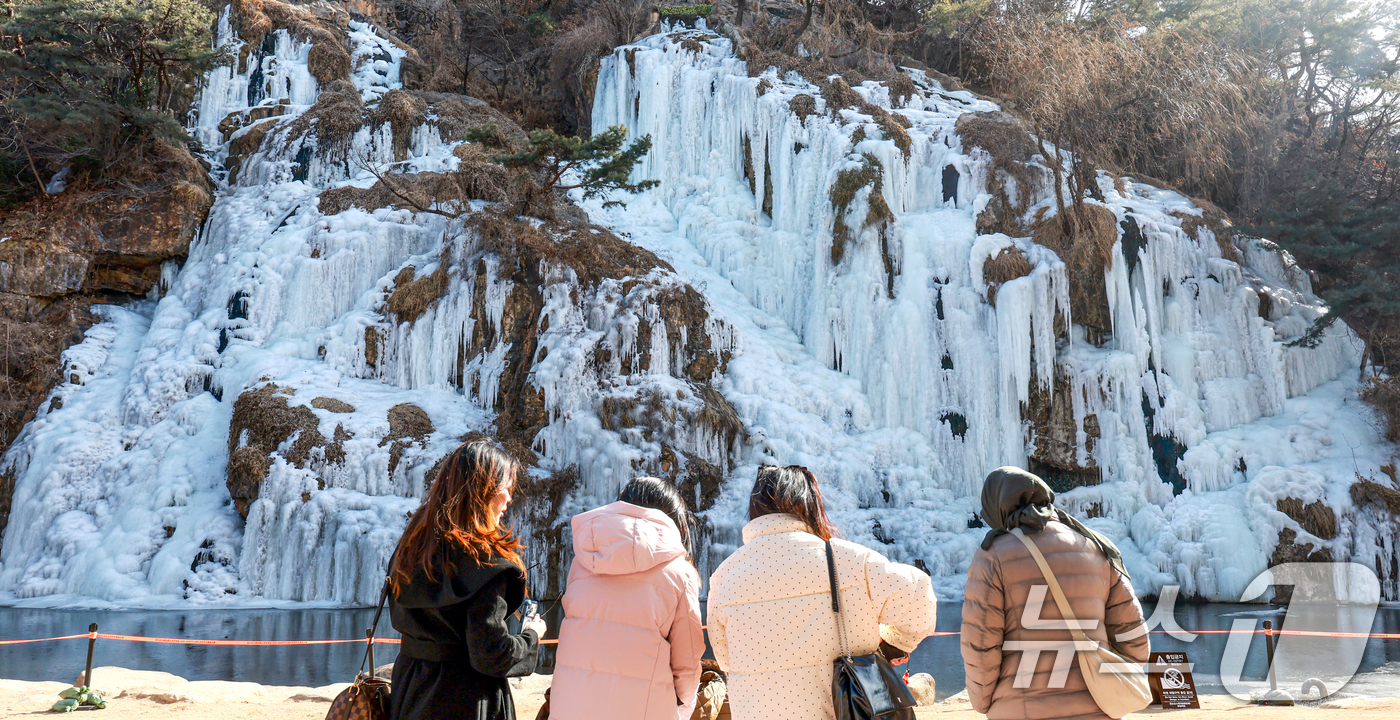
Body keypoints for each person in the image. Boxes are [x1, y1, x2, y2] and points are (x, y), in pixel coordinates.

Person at [706, 465, 938, 720]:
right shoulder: (846, 561)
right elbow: (919, 597)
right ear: (810, 506)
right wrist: (892, 642)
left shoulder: (724, 577)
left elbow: (726, 660)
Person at [961, 467, 1150, 720]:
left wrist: (984, 702)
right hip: (1100, 708)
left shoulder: (992, 556)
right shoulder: (1097, 546)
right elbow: (1136, 642)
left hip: (1022, 709)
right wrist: (1108, 678)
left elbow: (980, 645)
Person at [386, 439, 547, 720]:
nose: (509, 498)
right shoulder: (485, 563)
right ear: (483, 490)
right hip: (467, 701)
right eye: (505, 487)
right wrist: (532, 636)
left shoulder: (411, 549)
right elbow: (491, 654)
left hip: (412, 691)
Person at [550, 477, 705, 720]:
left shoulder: (583, 561)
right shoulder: (679, 573)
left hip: (569, 709)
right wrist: (683, 710)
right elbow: (687, 665)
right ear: (676, 520)